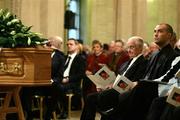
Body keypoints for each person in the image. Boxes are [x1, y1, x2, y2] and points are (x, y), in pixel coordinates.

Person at [107, 23, 179, 120]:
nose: (156, 34)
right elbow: (146, 75)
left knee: (133, 92)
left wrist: (140, 83)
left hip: (159, 89)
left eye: (160, 31)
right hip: (146, 87)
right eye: (155, 31)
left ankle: (114, 114)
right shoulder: (154, 54)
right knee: (125, 93)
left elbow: (167, 79)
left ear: (169, 35)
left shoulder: (174, 55)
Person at [80, 36, 148, 120]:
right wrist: (106, 85)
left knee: (91, 98)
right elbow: (118, 76)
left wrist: (114, 85)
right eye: (128, 47)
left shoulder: (143, 63)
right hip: (115, 89)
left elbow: (134, 82)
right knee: (91, 97)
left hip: (124, 93)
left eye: (132, 47)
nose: (129, 50)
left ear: (140, 48)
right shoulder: (128, 62)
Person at [20, 36, 65, 120]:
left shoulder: (60, 57)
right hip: (38, 82)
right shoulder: (39, 53)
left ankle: (48, 114)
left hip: (50, 84)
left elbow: (59, 76)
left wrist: (52, 80)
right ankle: (29, 114)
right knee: (25, 89)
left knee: (59, 88)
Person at [45, 38, 86, 119]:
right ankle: (53, 110)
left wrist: (68, 79)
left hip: (72, 83)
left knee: (58, 87)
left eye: (71, 44)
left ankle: (62, 110)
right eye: (67, 44)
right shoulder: (64, 57)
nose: (68, 46)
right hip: (60, 80)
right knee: (52, 86)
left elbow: (81, 74)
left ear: (77, 46)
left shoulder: (80, 58)